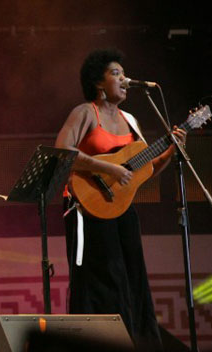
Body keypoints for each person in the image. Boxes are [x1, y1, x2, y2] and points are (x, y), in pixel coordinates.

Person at [55, 48, 187, 351]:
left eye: (124, 74)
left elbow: (142, 172)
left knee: (132, 278)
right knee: (101, 280)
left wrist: (170, 150)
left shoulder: (131, 120)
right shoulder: (86, 112)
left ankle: (134, 341)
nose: (125, 79)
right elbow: (62, 153)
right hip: (86, 206)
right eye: (116, 74)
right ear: (99, 83)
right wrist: (105, 166)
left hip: (121, 207)